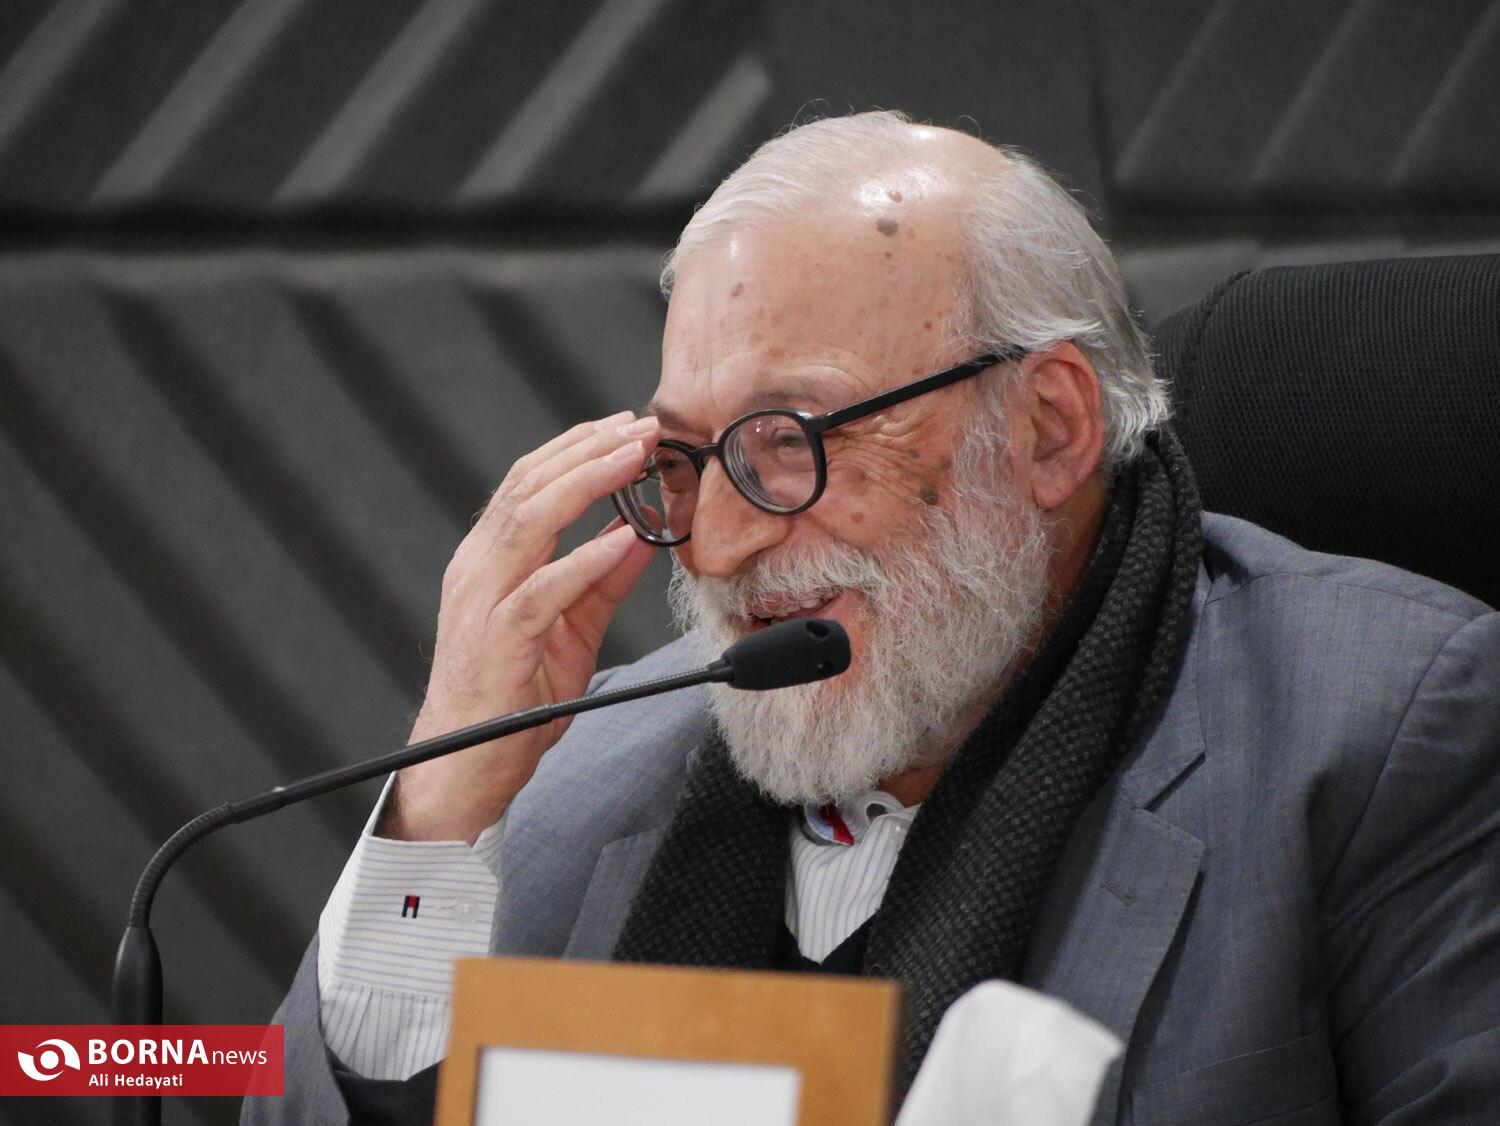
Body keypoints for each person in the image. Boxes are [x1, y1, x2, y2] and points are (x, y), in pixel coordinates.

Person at [244, 111, 1500, 1125]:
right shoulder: (584, 768)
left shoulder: (1380, 733)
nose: (721, 543)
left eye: (790, 440)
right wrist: (441, 808)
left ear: (1048, 426)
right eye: (685, 460)